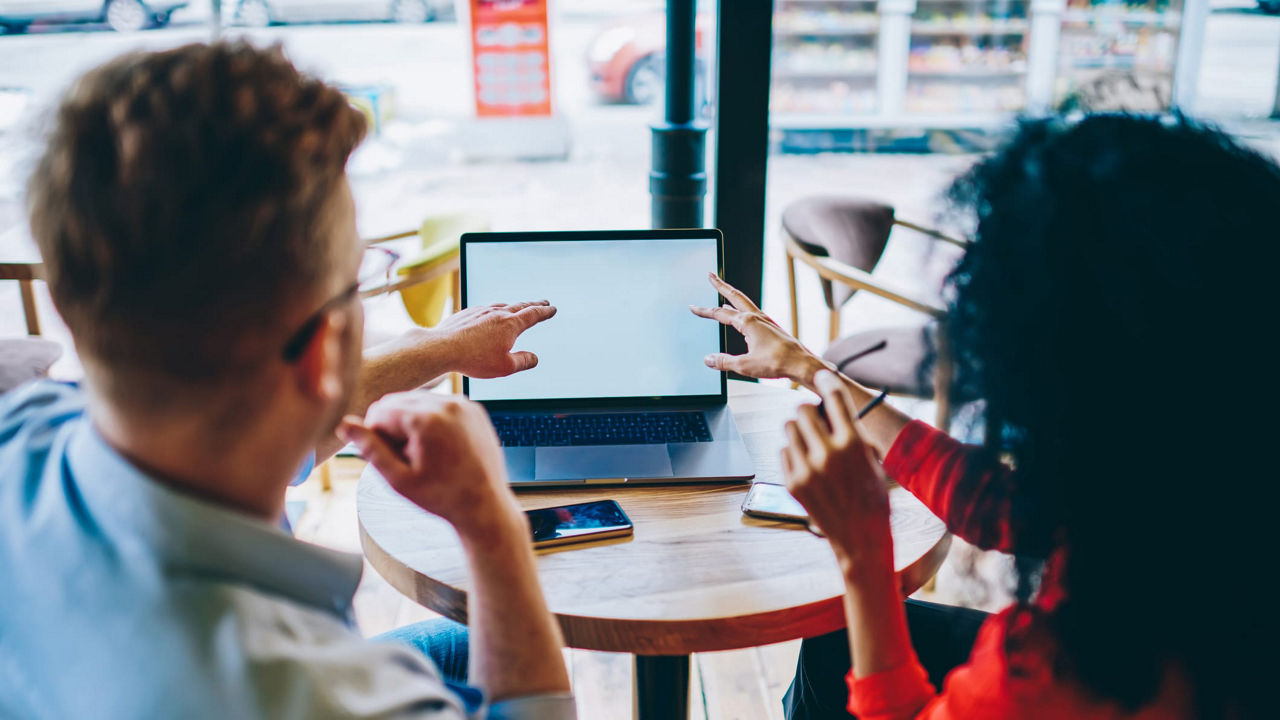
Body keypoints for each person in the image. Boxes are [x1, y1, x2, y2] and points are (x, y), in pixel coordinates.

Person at [1, 42, 575, 719]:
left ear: (69, 308)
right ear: (325, 346)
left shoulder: (25, 427)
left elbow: (245, 411)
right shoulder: (326, 697)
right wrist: (492, 526)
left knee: (458, 640)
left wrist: (437, 348)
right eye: (355, 280)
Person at [693, 115, 1275, 719]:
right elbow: (1010, 507)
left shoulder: (1053, 674)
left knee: (841, 633)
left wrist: (863, 551)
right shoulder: (1194, 470)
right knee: (830, 644)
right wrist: (813, 370)